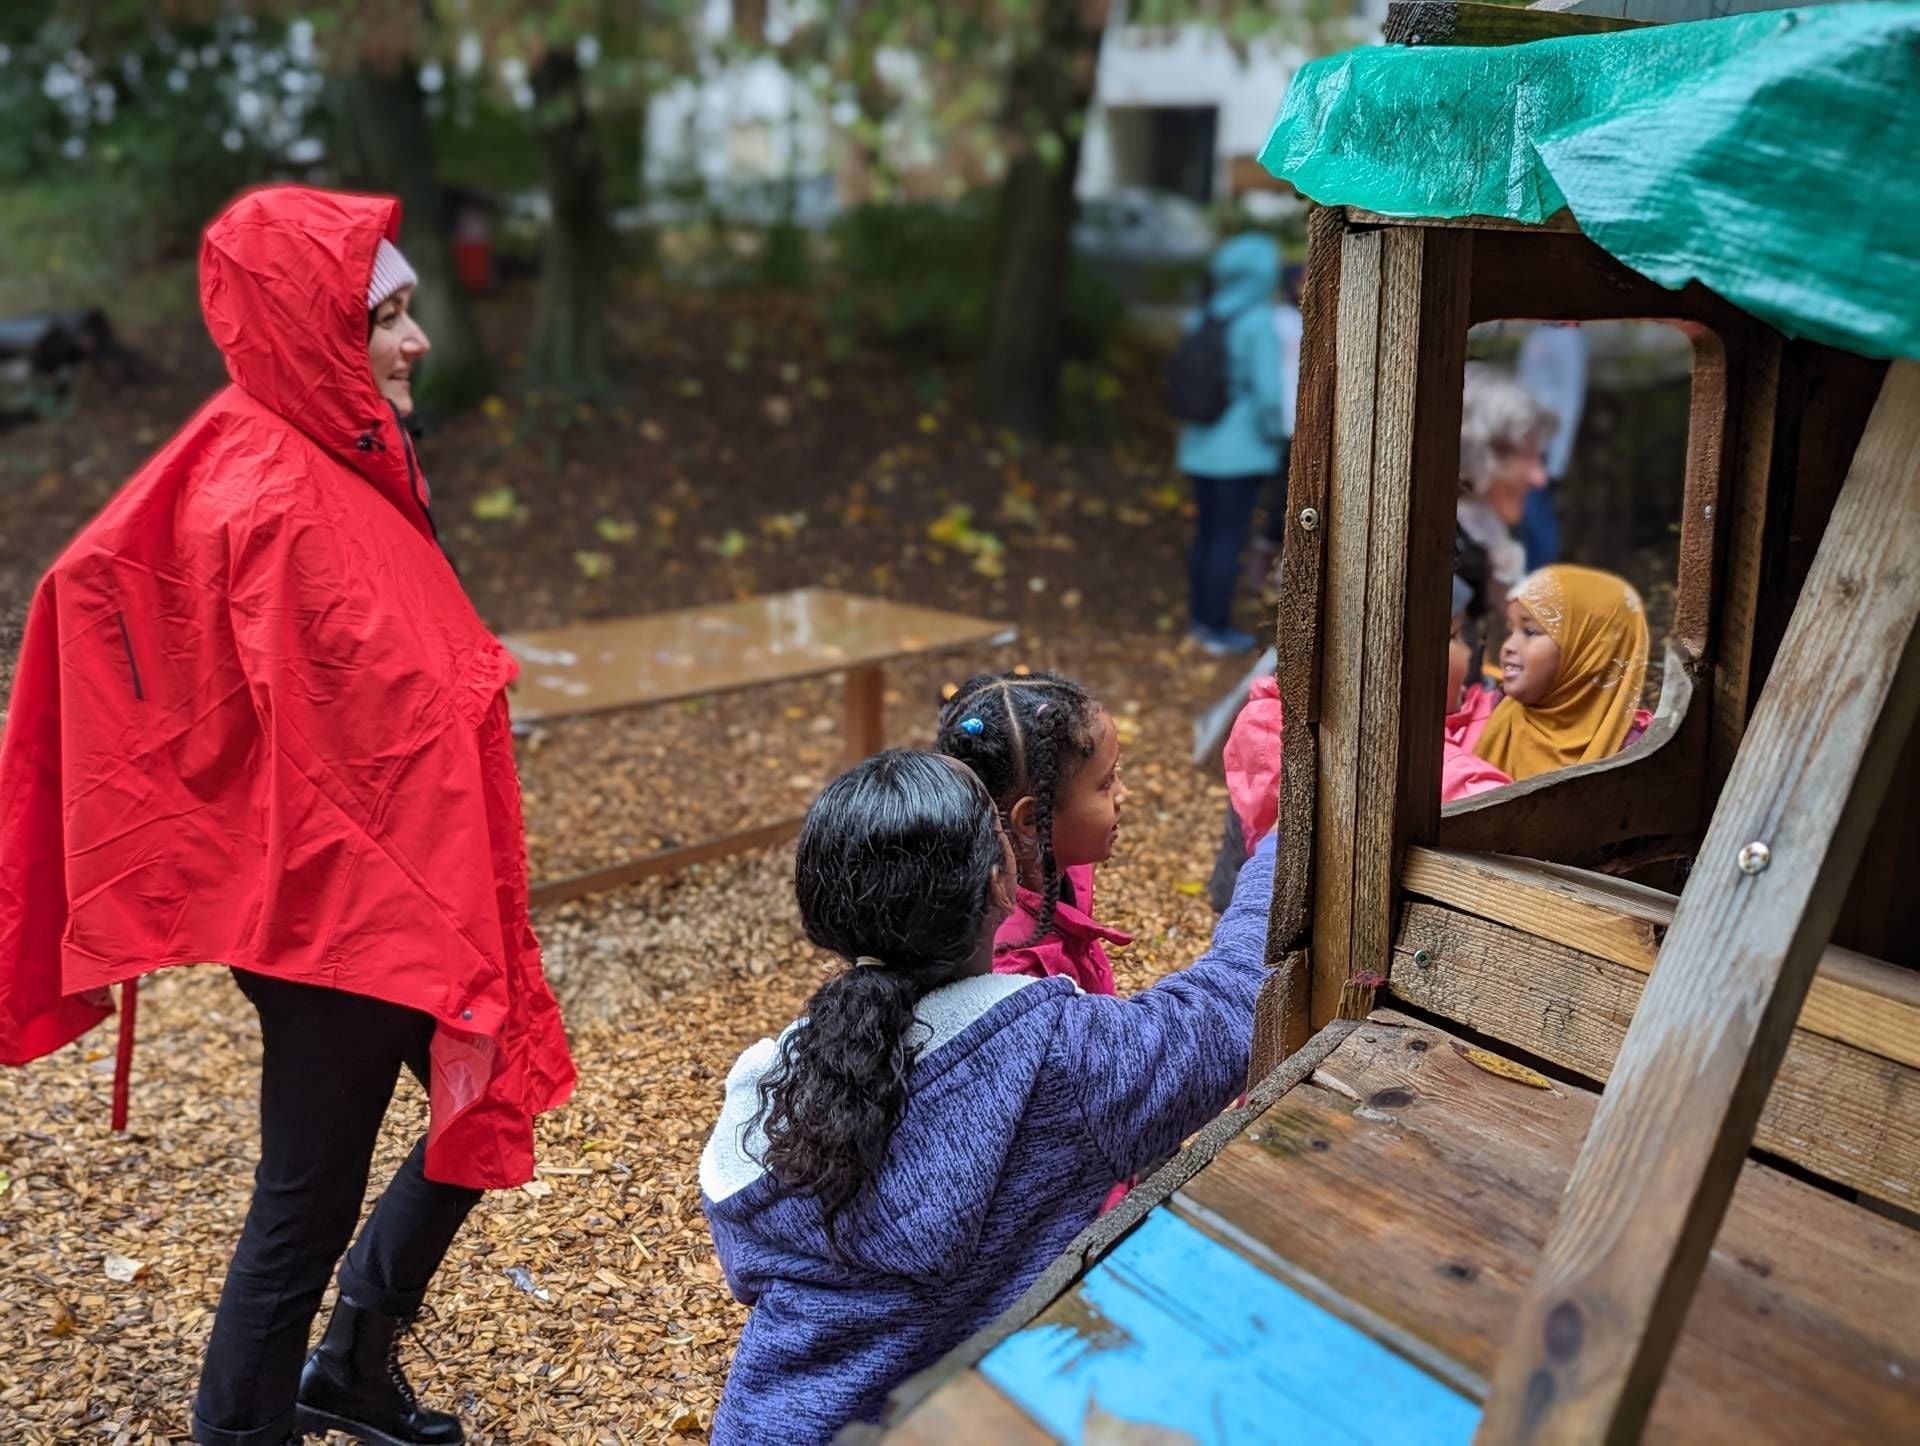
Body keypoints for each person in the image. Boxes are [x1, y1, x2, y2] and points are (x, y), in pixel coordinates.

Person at [0, 185, 575, 1446]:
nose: (415, 341)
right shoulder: (259, 482)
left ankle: (354, 1368)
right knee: (303, 1204)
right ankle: (244, 1425)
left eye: (413, 312)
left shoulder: (334, 447)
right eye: (386, 317)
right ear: (310, 325)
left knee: (500, 1092)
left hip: (411, 896)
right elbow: (96, 591)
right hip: (340, 922)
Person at [701, 750, 1278, 1442]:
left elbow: (751, 1274)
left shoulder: (769, 1089)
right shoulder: (1065, 1060)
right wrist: (1289, 833)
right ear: (1002, 884)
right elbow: (1231, 1004)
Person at [1213, 550, 1512, 901]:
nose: (1472, 652)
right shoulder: (1370, 753)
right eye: (1453, 636)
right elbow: (1476, 798)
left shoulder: (1272, 718)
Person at [934, 670, 1131, 995]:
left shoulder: (1060, 862)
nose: (1124, 794)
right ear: (1033, 820)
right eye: (1106, 783)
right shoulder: (1011, 975)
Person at [1177, 233, 1287, 656]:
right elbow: (1268, 394)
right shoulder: (1258, 320)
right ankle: (1217, 628)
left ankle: (1198, 618)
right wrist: (1274, 436)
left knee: (1205, 535)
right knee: (1228, 538)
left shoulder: (1203, 314)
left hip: (1198, 448)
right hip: (1239, 453)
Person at [1470, 563, 1653, 782]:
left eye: (1529, 631)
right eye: (1512, 629)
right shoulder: (1485, 714)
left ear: (1591, 653)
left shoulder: (1638, 758)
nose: (1509, 645)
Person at [1458, 362, 1559, 661]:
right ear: (1478, 455)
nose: (1539, 477)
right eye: (1526, 456)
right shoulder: (1452, 561)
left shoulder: (1482, 538)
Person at [1246, 262, 1305, 592]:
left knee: (1288, 494)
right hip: (1283, 422)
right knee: (1280, 495)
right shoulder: (1282, 322)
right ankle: (1267, 566)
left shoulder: (1303, 320)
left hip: (1296, 422)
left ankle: (1275, 568)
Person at [1515, 323, 1589, 570]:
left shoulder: (1568, 337)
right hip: (1524, 440)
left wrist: (1557, 459)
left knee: (1537, 516)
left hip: (1544, 446)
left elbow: (1570, 399)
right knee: (1526, 516)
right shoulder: (1538, 331)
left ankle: (1541, 584)